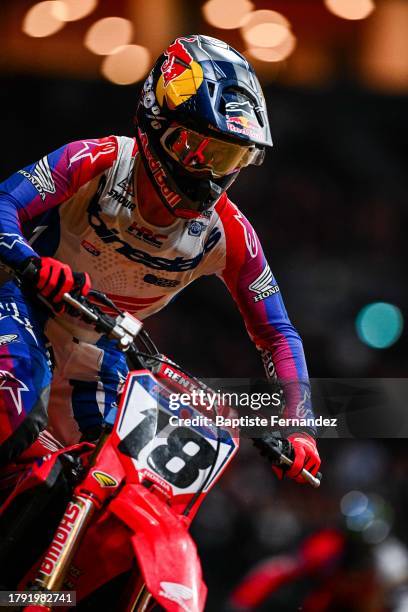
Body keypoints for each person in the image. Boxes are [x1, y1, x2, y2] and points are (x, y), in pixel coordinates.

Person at [0, 34, 320, 482]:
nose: (212, 176)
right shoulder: (100, 160)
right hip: (23, 306)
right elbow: (4, 205)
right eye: (202, 151)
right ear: (158, 124)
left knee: (116, 482)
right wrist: (31, 261)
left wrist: (300, 426)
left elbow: (278, 333)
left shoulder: (228, 232)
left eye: (230, 158)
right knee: (11, 410)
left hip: (100, 350)